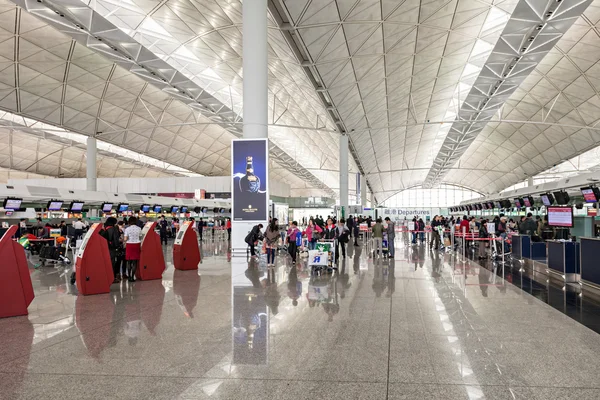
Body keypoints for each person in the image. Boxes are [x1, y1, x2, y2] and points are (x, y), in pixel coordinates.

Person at [102, 217, 123, 283]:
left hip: (105, 248)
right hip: (112, 249)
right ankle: (112, 278)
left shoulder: (104, 228)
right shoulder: (113, 229)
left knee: (107, 263)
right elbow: (116, 240)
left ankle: (106, 277)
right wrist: (118, 247)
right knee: (112, 263)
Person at [124, 217, 142, 282]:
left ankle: (129, 277)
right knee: (135, 262)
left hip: (129, 245)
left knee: (129, 262)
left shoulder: (127, 229)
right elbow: (140, 237)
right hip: (137, 245)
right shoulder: (139, 228)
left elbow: (125, 239)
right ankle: (132, 277)